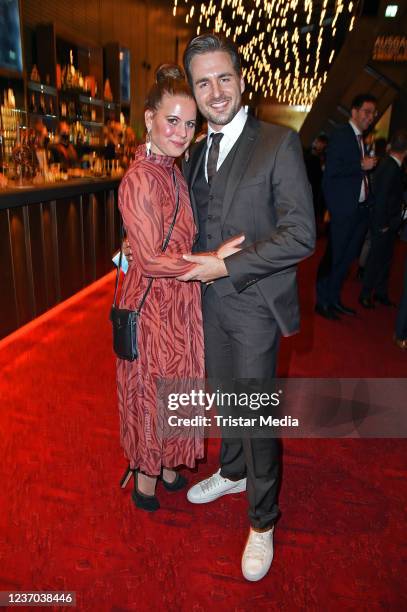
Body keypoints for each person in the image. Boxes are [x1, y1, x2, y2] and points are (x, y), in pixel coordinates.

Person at [125, 34, 315, 581]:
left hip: (255, 304)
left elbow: (301, 233)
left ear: (240, 78)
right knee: (224, 398)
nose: (215, 91)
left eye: (223, 78)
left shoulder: (278, 142)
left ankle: (262, 520)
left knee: (256, 414)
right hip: (203, 306)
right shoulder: (195, 149)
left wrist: (226, 266)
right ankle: (233, 471)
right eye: (203, 81)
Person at [116, 65, 207, 512]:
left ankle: (170, 459)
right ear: (149, 117)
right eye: (172, 120)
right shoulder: (138, 178)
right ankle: (146, 474)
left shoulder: (173, 171)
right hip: (153, 302)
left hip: (182, 298)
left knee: (178, 383)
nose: (182, 132)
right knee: (153, 389)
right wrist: (206, 264)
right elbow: (150, 259)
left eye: (189, 123)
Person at [315, 94, 378, 320]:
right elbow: (330, 174)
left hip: (359, 210)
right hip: (344, 210)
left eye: (373, 114)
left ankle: (333, 299)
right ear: (354, 111)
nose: (370, 117)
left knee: (347, 258)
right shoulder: (342, 135)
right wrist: (359, 165)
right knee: (334, 257)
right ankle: (322, 301)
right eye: (367, 112)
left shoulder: (361, 139)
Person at [359, 129, 407, 308]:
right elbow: (382, 197)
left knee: (385, 260)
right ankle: (365, 294)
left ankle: (380, 293)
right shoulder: (391, 167)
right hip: (384, 223)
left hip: (388, 222)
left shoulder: (389, 164)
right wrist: (383, 224)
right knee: (376, 260)